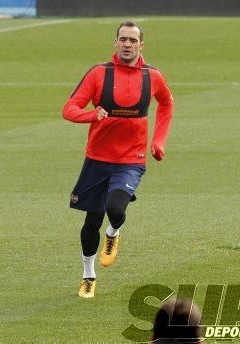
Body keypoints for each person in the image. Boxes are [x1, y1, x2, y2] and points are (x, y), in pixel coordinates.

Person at [63, 20, 174, 298]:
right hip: (97, 160)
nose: (127, 44)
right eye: (123, 39)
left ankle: (113, 233)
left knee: (115, 207)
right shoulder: (99, 74)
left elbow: (167, 104)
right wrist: (92, 114)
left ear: (141, 45)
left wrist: (158, 141)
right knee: (91, 222)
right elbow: (69, 109)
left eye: (132, 40)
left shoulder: (153, 76)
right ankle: (88, 275)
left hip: (131, 159)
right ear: (115, 42)